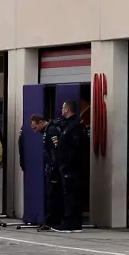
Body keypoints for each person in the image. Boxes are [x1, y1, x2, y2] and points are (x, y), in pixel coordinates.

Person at [54, 100, 88, 234]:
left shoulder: (74, 126)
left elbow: (74, 149)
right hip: (67, 167)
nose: (61, 111)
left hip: (72, 169)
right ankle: (70, 221)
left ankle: (71, 223)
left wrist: (67, 164)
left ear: (67, 109)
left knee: (71, 196)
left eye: (63, 108)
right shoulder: (67, 125)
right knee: (68, 195)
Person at [41, 113, 64, 230]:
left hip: (55, 168)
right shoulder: (47, 131)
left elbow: (56, 149)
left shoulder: (52, 130)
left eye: (35, 127)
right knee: (51, 194)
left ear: (40, 122)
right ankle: (52, 220)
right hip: (51, 166)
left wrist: (54, 165)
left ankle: (51, 221)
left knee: (53, 195)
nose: (35, 131)